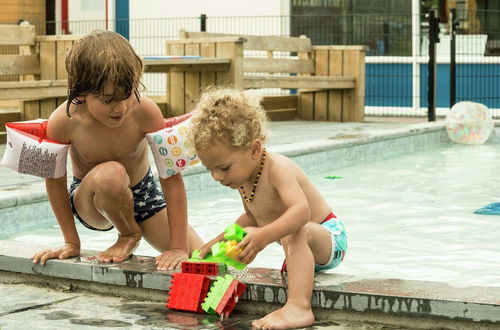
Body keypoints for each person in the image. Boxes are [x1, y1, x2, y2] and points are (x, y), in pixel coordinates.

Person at [31, 30, 203, 270]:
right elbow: (54, 182)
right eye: (108, 99)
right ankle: (128, 234)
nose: (121, 108)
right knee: (111, 174)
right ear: (81, 91)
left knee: (204, 260)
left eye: (128, 95)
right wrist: (71, 241)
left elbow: (172, 177)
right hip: (92, 199)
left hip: (143, 193)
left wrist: (177, 247)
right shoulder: (62, 121)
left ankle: (140, 230)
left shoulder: (146, 111)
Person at [189, 88, 347, 329]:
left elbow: (301, 212)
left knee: (295, 230)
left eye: (223, 167)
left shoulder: (277, 168)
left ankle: (299, 308)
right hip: (298, 247)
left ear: (254, 149)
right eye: (209, 169)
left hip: (329, 237)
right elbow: (252, 217)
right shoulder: (243, 179)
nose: (216, 177)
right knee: (289, 234)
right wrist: (214, 244)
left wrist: (263, 236)